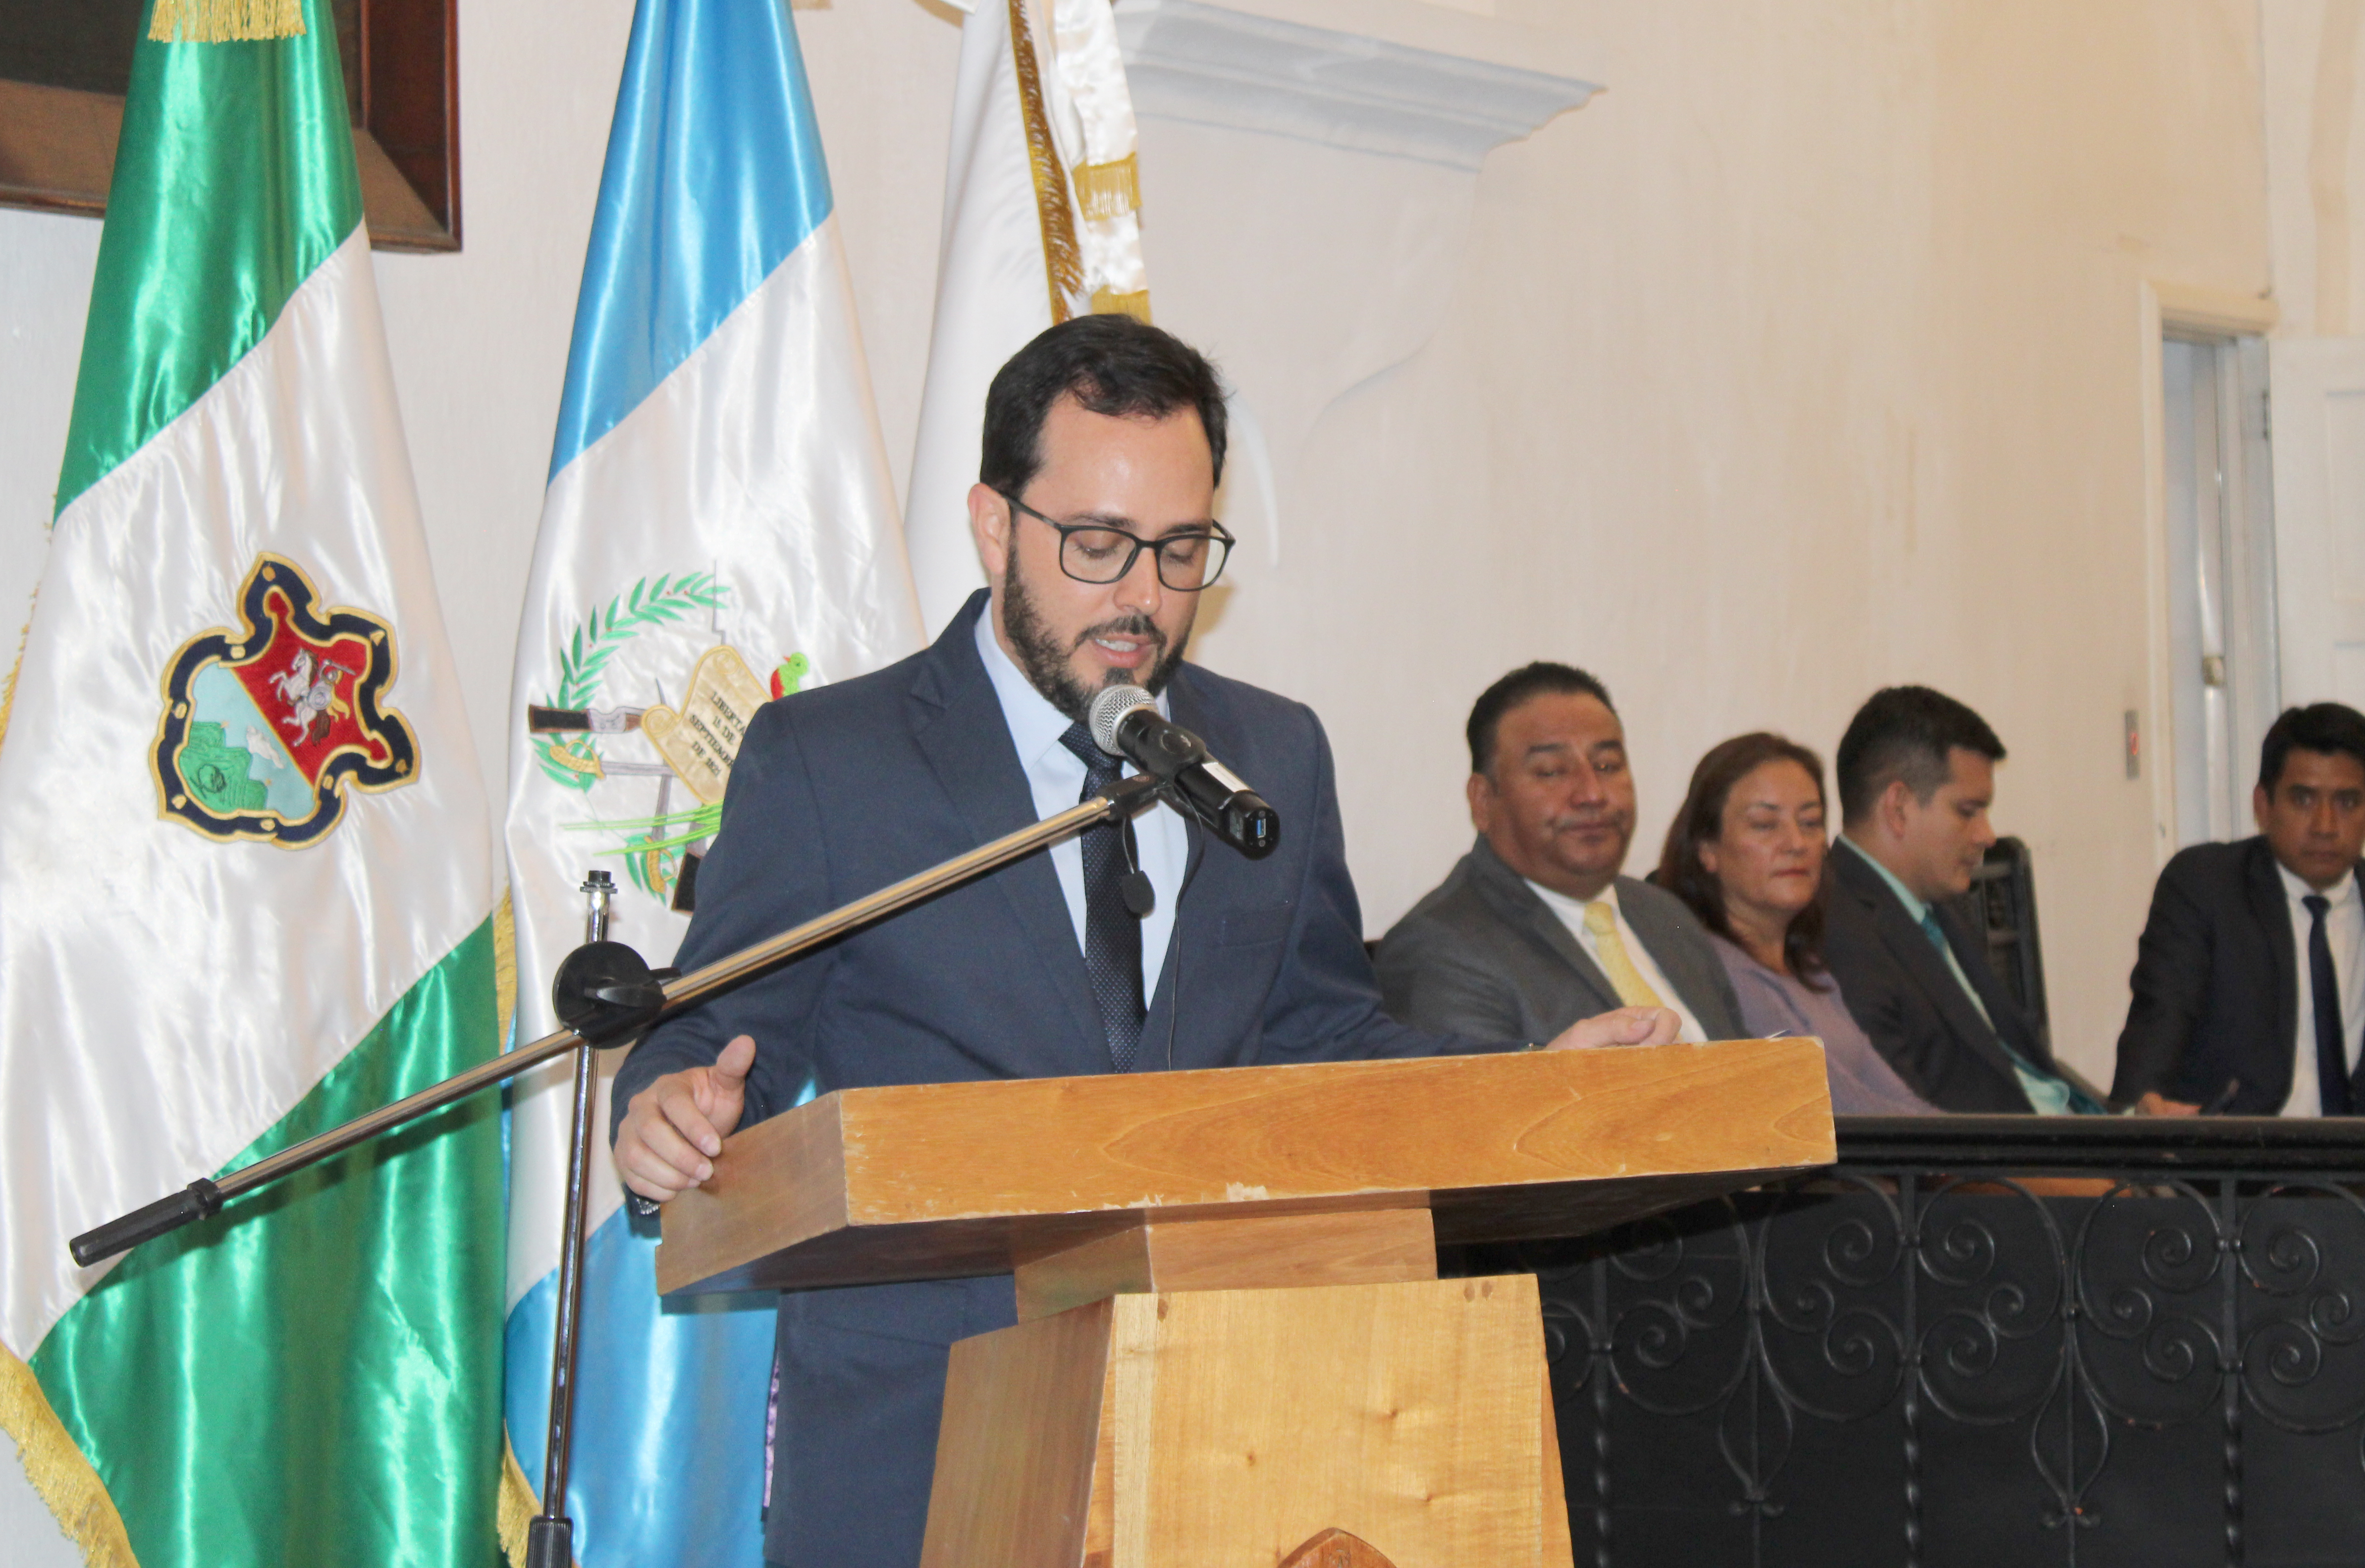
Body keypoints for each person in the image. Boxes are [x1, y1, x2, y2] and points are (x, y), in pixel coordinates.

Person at [608, 319, 1672, 1568]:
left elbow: (1324, 1033)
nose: (1142, 596)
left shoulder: (1268, 755)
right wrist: (665, 1111)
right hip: (927, 1432)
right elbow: (715, 1032)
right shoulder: (833, 759)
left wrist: (1536, 1085)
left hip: (1232, 1425)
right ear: (995, 524)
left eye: (1181, 551)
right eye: (1098, 544)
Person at [1375, 663, 1745, 1047]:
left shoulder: (1664, 914)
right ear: (1483, 801)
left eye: (1607, 766)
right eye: (1552, 771)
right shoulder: (1441, 950)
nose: (1592, 793)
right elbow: (1486, 1105)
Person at [2112, 703, 2365, 1117]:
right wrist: (2138, 1114)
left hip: (2354, 1168)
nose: (2324, 825)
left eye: (2347, 803)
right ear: (2263, 806)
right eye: (2303, 800)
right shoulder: (2205, 887)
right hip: (2236, 1166)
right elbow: (2159, 1021)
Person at [1822, 686, 2099, 1112]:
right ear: (1898, 807)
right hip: (2016, 1172)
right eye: (1968, 811)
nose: (1987, 835)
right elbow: (1910, 1129)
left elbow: (2022, 1068)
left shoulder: (1937, 906)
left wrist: (2127, 1121)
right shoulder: (1840, 931)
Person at [1652, 731, 1938, 1115]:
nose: (1796, 843)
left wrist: (1979, 1157)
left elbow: (1894, 1096)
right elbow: (1843, 1107)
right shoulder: (1718, 969)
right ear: (1707, 850)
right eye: (1766, 825)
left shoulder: (1809, 967)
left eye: (1810, 822)